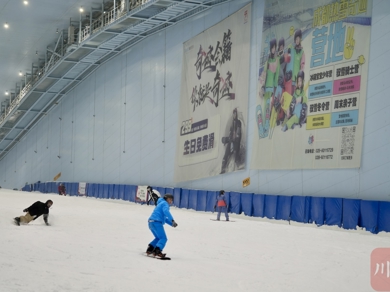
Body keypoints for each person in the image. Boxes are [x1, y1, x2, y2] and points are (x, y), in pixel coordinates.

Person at [146, 194, 178, 258]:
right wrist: (172, 220)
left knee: (158, 238)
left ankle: (150, 249)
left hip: (151, 222)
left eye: (172, 199)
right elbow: (166, 211)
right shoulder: (165, 203)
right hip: (156, 223)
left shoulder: (160, 204)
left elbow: (164, 218)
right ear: (166, 198)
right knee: (163, 238)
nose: (171, 201)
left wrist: (171, 224)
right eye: (170, 199)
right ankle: (157, 251)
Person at [221, 108, 242, 174]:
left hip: (236, 142)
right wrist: (228, 139)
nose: (234, 115)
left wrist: (235, 139)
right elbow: (230, 133)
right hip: (231, 142)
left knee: (236, 153)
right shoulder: (231, 124)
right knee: (226, 155)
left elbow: (238, 133)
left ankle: (238, 165)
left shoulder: (238, 122)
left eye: (235, 113)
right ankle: (223, 169)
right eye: (233, 114)